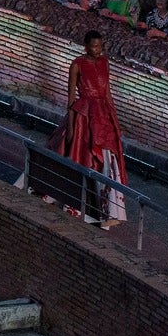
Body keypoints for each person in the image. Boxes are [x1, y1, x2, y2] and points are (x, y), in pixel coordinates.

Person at [52, 31, 129, 225]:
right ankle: (79, 204)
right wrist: (70, 126)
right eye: (94, 46)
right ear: (85, 46)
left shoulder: (104, 62)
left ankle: (110, 210)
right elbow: (71, 98)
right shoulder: (77, 64)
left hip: (103, 115)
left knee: (108, 160)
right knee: (83, 156)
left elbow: (107, 92)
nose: (98, 50)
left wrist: (114, 118)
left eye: (100, 46)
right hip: (83, 116)